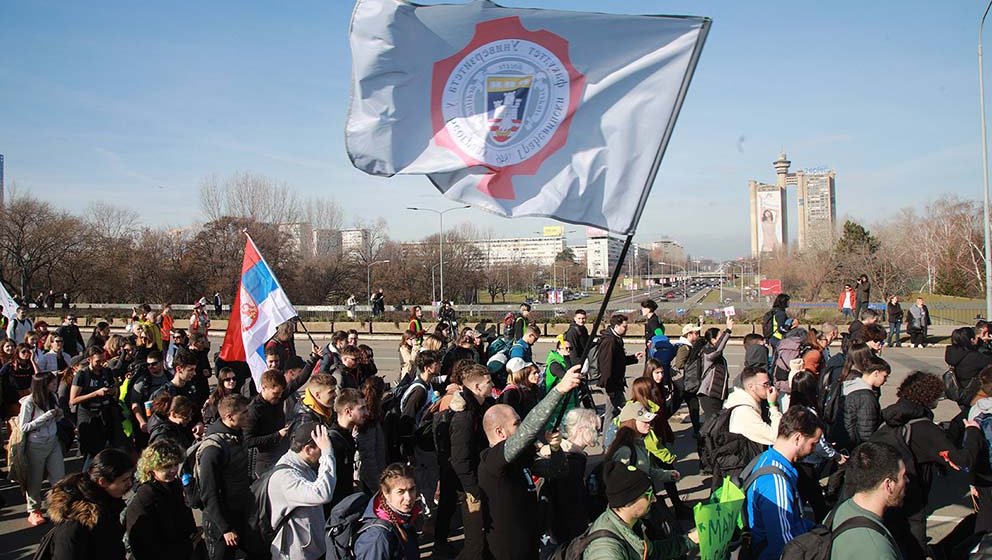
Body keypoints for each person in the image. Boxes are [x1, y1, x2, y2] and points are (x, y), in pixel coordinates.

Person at [478, 364, 582, 560]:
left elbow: (558, 471)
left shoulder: (520, 458)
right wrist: (559, 390)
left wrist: (556, 449)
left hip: (530, 546)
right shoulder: (492, 460)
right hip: (506, 552)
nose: (522, 426)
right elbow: (529, 431)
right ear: (500, 432)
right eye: (516, 423)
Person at [742, 406, 822, 560]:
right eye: (813, 443)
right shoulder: (775, 483)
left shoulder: (765, 458)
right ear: (797, 438)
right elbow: (786, 546)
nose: (813, 449)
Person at [582, 461, 697, 560]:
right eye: (648, 494)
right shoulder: (606, 552)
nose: (654, 499)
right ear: (628, 501)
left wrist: (690, 539)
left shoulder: (631, 522)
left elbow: (652, 551)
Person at [199, 394, 268, 560]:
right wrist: (225, 528)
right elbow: (209, 493)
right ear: (229, 417)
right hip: (221, 521)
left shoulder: (237, 434)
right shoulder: (212, 450)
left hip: (241, 510)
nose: (248, 416)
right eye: (244, 413)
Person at [268, 422, 337, 560]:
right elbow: (323, 494)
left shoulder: (304, 465)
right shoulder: (285, 477)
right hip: (295, 554)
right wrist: (327, 453)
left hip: (312, 551)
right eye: (320, 450)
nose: (323, 454)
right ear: (308, 449)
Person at [48, 448, 133, 559]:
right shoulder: (75, 522)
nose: (130, 484)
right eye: (124, 480)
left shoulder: (109, 503)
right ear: (102, 482)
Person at [447, 364, 495, 560]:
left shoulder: (481, 406)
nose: (492, 385)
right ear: (476, 387)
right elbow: (460, 460)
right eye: (488, 382)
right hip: (469, 489)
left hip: (479, 480)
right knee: (475, 543)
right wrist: (473, 491)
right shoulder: (465, 417)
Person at [829, 441, 905, 560]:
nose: (907, 481)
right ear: (888, 485)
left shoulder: (841, 510)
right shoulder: (877, 552)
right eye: (903, 476)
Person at [125, 439, 198, 560]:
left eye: (175, 464)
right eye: (167, 466)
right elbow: (145, 542)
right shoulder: (146, 496)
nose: (174, 470)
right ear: (152, 468)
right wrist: (186, 546)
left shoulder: (175, 485)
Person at [545, 408, 600, 545]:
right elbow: (570, 501)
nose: (597, 434)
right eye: (594, 429)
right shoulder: (572, 461)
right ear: (581, 430)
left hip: (561, 528)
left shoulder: (568, 455)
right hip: (569, 531)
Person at [19, 371, 66, 526]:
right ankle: (34, 509)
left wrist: (59, 414)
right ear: (43, 385)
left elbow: (59, 417)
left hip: (52, 441)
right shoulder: (29, 402)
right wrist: (45, 416)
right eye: (52, 383)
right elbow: (24, 426)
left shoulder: (53, 396)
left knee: (59, 476)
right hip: (36, 445)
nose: (55, 385)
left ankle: (59, 505)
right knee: (35, 479)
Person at [70, 346, 123, 470]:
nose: (100, 364)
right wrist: (95, 393)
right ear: (89, 360)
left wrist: (114, 390)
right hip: (89, 418)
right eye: (97, 361)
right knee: (92, 454)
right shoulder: (82, 375)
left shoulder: (107, 372)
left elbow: (114, 388)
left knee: (108, 451)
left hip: (105, 416)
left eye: (102, 361)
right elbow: (73, 400)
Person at [355, 463, 422, 560]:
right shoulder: (378, 536)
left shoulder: (404, 517)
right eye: (401, 492)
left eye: (412, 490)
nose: (408, 498)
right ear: (386, 493)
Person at [598, 314, 644, 430]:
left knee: (614, 412)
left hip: (615, 383)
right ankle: (609, 442)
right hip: (612, 384)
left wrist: (633, 358)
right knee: (616, 413)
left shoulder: (615, 339)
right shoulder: (610, 341)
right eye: (625, 326)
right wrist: (609, 388)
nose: (627, 329)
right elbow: (606, 366)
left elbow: (618, 361)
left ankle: (613, 440)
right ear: (617, 326)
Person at [833, 356, 889, 451]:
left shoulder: (849, 385)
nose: (886, 380)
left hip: (841, 439)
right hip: (854, 446)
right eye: (885, 376)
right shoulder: (866, 397)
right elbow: (866, 431)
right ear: (876, 373)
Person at [329, 388, 370, 506]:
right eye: (362, 408)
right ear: (348, 412)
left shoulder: (347, 436)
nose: (367, 413)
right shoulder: (333, 443)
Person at [696, 318, 734, 424]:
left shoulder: (717, 355)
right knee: (712, 423)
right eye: (720, 336)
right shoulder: (707, 352)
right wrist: (728, 330)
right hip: (708, 394)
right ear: (713, 340)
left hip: (718, 394)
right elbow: (718, 349)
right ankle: (704, 440)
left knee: (716, 422)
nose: (721, 338)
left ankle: (709, 440)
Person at [946, 326, 992, 408]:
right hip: (974, 394)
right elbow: (989, 359)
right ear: (971, 340)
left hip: (962, 391)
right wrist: (984, 343)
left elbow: (971, 349)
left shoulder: (954, 353)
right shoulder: (974, 357)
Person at [357, 376, 389, 493]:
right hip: (371, 480)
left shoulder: (370, 415)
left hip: (373, 475)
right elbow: (368, 457)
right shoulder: (369, 420)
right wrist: (377, 486)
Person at [672, 324, 703, 437]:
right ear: (689, 334)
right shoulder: (685, 348)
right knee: (674, 406)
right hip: (683, 382)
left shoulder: (689, 346)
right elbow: (679, 364)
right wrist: (691, 366)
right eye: (696, 333)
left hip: (687, 381)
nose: (698, 335)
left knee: (693, 404)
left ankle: (696, 428)